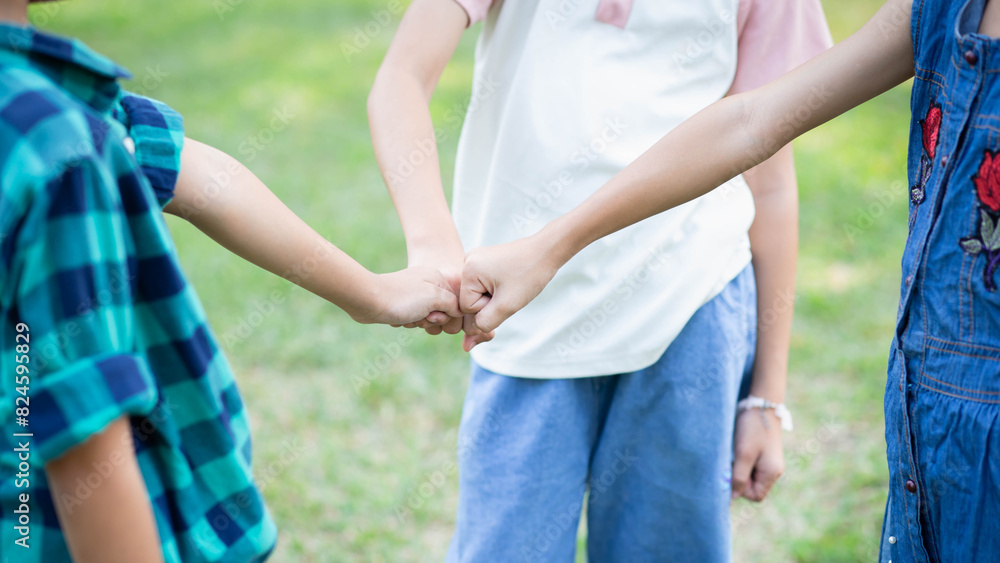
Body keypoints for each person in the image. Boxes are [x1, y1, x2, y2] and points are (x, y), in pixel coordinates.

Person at [460, 0, 1000, 560]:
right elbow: (749, 122)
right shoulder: (937, 11)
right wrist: (545, 248)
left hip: (696, 310)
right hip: (930, 424)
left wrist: (766, 397)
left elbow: (764, 159)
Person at [0, 1, 486, 560]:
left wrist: (372, 294)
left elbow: (191, 172)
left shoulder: (53, 108)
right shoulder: (54, 143)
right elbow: (86, 447)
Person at [368, 0, 831, 560]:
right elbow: (401, 77)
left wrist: (766, 398)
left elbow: (771, 175)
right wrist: (433, 246)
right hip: (520, 317)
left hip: (690, 308)